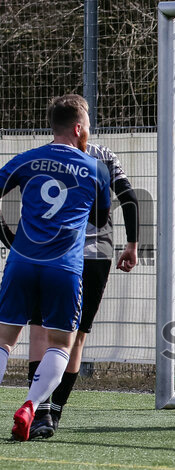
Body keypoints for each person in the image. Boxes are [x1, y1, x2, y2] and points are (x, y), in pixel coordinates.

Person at [0, 95, 111, 441]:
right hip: (63, 268)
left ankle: (32, 406)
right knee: (61, 344)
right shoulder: (95, 169)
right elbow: (101, 219)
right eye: (88, 126)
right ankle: (32, 406)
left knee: (3, 340)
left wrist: (5, 234)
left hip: (21, 261)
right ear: (78, 129)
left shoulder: (28, 159)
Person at [23, 141, 140, 439]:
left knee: (40, 331)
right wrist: (132, 244)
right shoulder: (103, 156)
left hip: (51, 252)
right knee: (76, 336)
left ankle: (39, 412)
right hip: (95, 255)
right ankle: (54, 413)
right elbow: (128, 197)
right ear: (80, 126)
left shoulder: (43, 156)